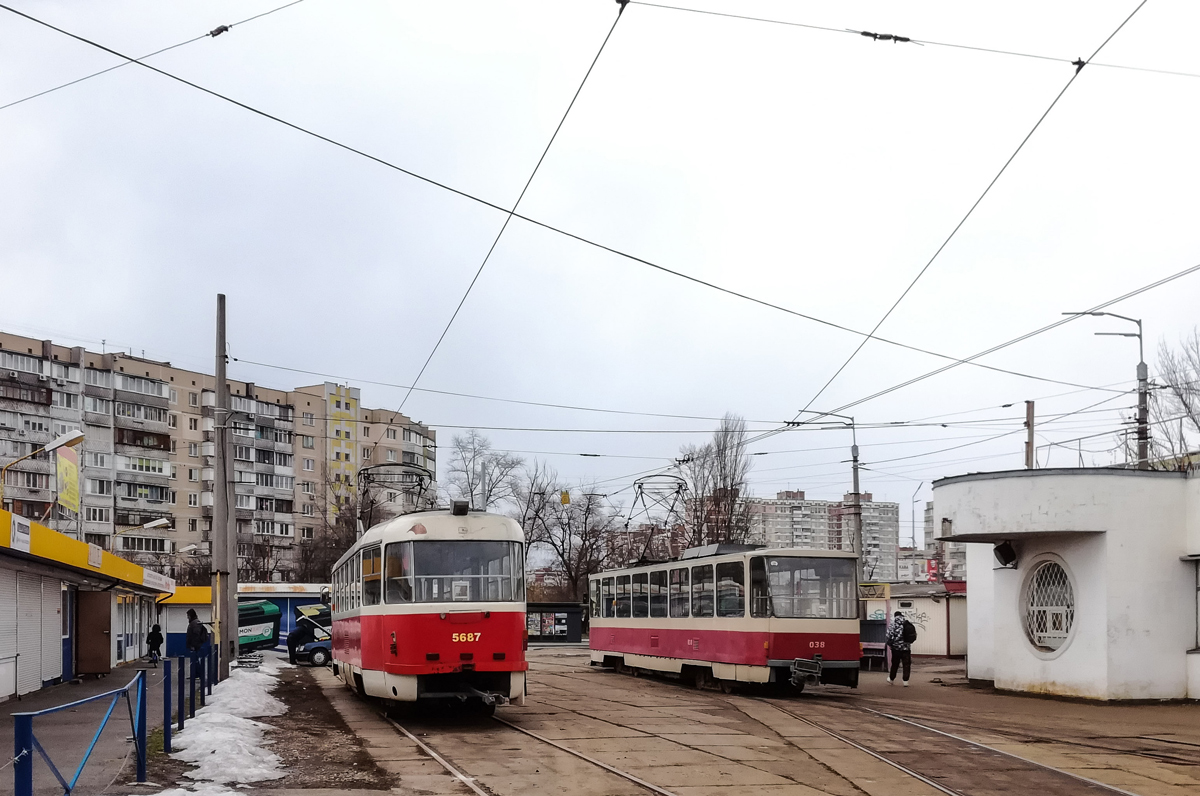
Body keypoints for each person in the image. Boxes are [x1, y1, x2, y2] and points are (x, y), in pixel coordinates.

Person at [886, 610, 915, 686]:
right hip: (906, 648)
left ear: (895, 616)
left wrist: (891, 644)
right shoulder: (907, 623)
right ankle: (906, 681)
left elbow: (889, 636)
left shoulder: (893, 624)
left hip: (896, 648)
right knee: (906, 664)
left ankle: (891, 679)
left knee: (895, 664)